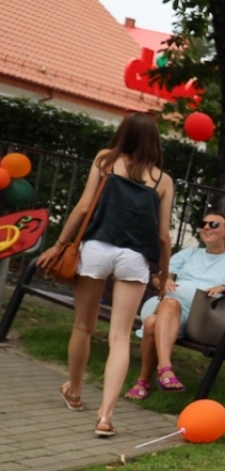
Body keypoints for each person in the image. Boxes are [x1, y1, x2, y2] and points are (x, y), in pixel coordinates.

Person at [35, 111, 173, 437]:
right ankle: (106, 416)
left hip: (97, 248)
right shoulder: (162, 180)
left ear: (124, 133)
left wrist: (60, 244)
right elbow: (164, 236)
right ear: (155, 140)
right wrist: (164, 275)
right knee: (120, 336)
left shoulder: (105, 160)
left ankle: (74, 391)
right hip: (134, 258)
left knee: (83, 325)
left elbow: (84, 208)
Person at [127, 210, 225, 399]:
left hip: (195, 319)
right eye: (203, 223)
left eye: (213, 224)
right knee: (170, 303)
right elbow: (159, 279)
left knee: (151, 324)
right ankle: (165, 370)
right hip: (162, 303)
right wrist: (164, 281)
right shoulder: (188, 254)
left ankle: (143, 382)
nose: (206, 227)